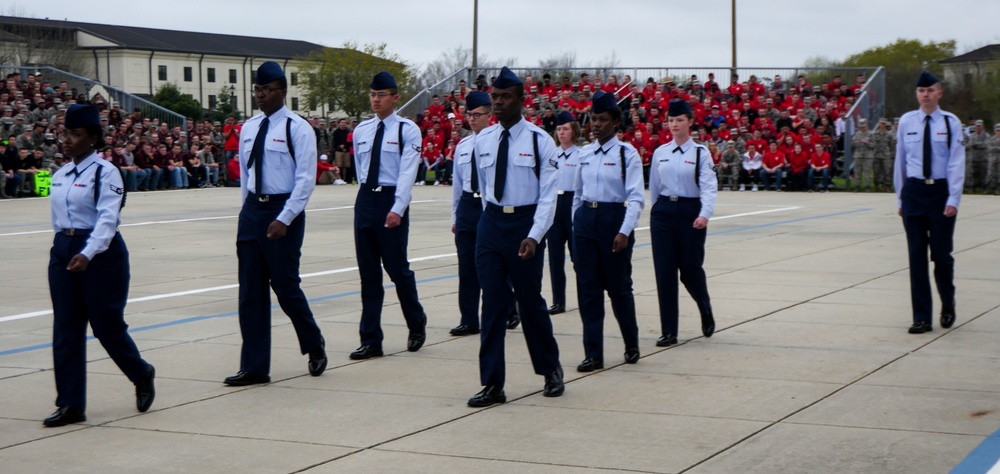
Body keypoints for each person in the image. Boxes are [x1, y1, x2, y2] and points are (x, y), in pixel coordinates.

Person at [43, 104, 155, 427]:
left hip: (102, 256)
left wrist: (88, 253)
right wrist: (63, 249)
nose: (68, 140)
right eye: (66, 133)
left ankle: (141, 372)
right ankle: (70, 404)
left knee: (106, 327)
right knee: (66, 329)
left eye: (75, 134)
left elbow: (108, 220)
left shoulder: (106, 173)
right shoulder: (61, 175)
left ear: (93, 138)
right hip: (64, 251)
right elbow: (58, 220)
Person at [225, 61, 327, 386]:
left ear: (282, 91)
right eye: (257, 90)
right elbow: (247, 174)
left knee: (284, 288)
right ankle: (254, 367)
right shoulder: (250, 127)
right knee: (250, 293)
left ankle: (314, 343)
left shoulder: (297, 128)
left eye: (267, 90)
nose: (261, 95)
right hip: (253, 211)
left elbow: (305, 179)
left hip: (285, 211)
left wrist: (285, 218)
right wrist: (246, 211)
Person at [468, 67, 564, 407]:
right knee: (491, 304)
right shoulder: (482, 141)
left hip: (526, 226)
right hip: (492, 225)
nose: (497, 102)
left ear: (521, 101)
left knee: (529, 300)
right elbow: (482, 189)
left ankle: (550, 368)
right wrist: (485, 227)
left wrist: (535, 236)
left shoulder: (540, 142)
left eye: (505, 97)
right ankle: (493, 384)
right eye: (494, 97)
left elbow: (548, 196)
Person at [349, 71, 428, 360]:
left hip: (391, 200)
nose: (375, 100)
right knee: (368, 275)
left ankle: (416, 321)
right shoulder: (361, 130)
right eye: (372, 94)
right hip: (366, 199)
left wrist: (398, 208)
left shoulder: (407, 130)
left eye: (381, 95)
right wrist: (365, 198)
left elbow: (408, 172)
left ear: (395, 98)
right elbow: (360, 167)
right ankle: (371, 340)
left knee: (397, 270)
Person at [570, 91, 644, 372]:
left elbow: (636, 197)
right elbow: (577, 193)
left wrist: (625, 230)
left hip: (614, 219)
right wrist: (576, 222)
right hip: (587, 220)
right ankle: (593, 353)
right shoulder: (585, 153)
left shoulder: (627, 154)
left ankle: (631, 343)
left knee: (619, 288)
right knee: (588, 289)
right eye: (593, 119)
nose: (596, 124)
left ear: (614, 121)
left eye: (602, 119)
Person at [893, 71, 964, 334]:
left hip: (940, 193)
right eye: (921, 91)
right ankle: (922, 317)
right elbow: (900, 160)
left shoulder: (950, 122)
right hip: (913, 192)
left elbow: (957, 162)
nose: (925, 95)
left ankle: (948, 302)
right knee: (916, 256)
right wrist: (900, 197)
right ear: (917, 94)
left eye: (930, 90)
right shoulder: (906, 121)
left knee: (942, 256)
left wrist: (953, 198)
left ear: (939, 93)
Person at [448, 92, 519, 336]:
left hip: (489, 206)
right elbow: (458, 183)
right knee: (466, 265)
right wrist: (455, 216)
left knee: (493, 264)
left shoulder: (498, 141)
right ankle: (468, 318)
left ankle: (509, 309)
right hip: (469, 204)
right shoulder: (463, 145)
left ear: (490, 115)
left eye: (477, 114)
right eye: (469, 114)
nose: (472, 119)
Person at [648, 100, 717, 347]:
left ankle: (704, 305)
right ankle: (669, 330)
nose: (674, 125)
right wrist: (657, 212)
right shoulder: (660, 153)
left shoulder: (700, 153)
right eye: (670, 120)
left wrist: (704, 214)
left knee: (690, 271)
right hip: (664, 212)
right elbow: (655, 188)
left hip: (691, 213)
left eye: (679, 120)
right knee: (664, 272)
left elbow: (709, 187)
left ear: (690, 122)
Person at [545, 111, 580, 315]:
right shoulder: (552, 155)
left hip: (573, 203)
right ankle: (558, 301)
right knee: (555, 256)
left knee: (578, 255)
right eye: (559, 129)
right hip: (555, 204)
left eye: (565, 128)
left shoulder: (580, 154)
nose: (562, 132)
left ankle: (586, 294)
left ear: (573, 130)